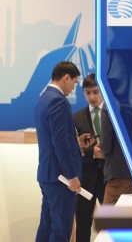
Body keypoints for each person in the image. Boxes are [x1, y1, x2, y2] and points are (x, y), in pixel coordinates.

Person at [34, 61, 92, 242]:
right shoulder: (58, 101)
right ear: (66, 78)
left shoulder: (44, 98)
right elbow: (60, 143)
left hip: (48, 175)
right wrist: (72, 176)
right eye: (74, 83)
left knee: (46, 227)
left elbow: (55, 138)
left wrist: (76, 142)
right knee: (61, 231)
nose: (73, 88)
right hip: (61, 178)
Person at [72, 73, 106, 242]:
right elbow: (73, 149)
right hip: (85, 178)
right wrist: (92, 152)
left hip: (109, 178)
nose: (92, 97)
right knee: (83, 224)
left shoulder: (114, 114)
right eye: (87, 93)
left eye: (95, 92)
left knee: (112, 224)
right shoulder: (76, 118)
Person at [100, 104, 132, 205]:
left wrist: (101, 148)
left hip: (118, 175)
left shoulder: (109, 105)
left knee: (109, 214)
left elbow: (106, 146)